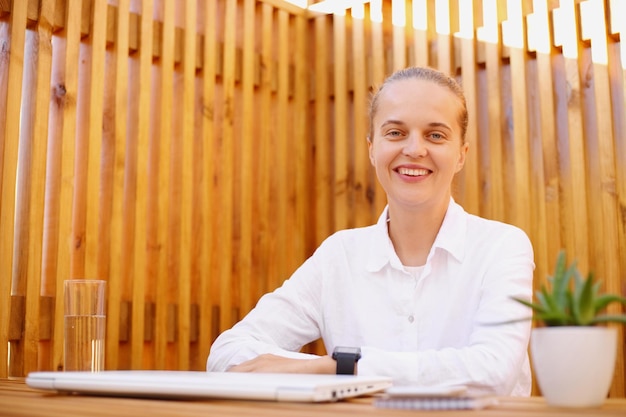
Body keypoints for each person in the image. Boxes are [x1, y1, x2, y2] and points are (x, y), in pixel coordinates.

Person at [207, 66, 534, 396]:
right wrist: (319, 368)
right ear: (371, 149)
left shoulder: (502, 247)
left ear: (461, 155)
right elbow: (227, 353)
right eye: (395, 133)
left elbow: (493, 371)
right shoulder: (340, 255)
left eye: (435, 135)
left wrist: (342, 367)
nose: (415, 149)